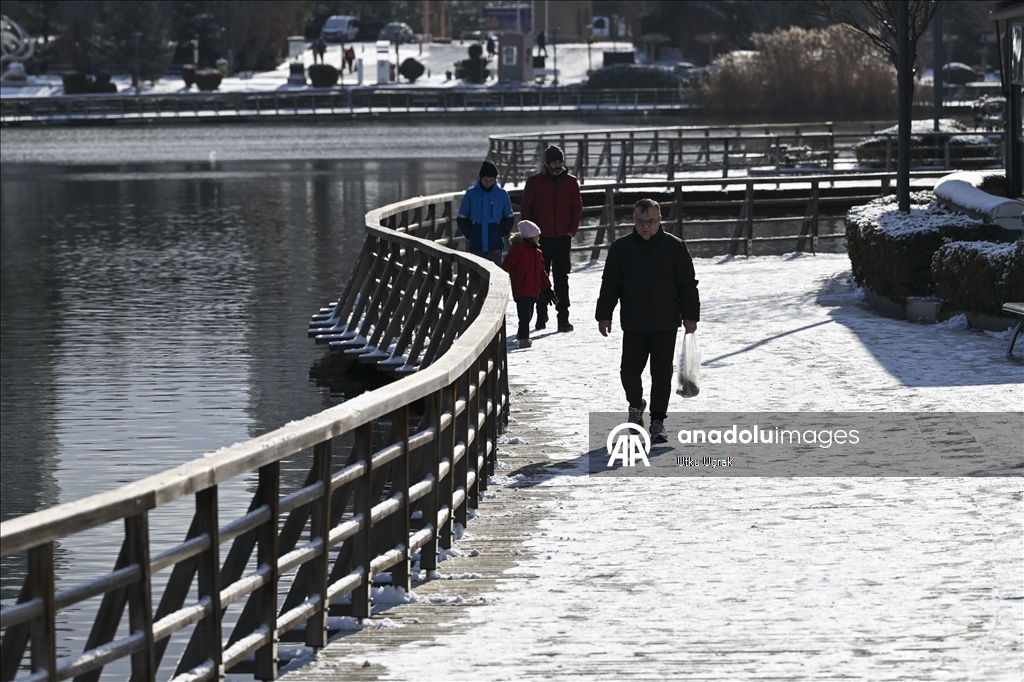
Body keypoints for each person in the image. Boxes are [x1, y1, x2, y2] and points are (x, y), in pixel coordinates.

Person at [595, 198, 700, 444]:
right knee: (629, 371)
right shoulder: (621, 249)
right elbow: (610, 284)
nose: (645, 227)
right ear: (634, 220)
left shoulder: (675, 247)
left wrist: (690, 316)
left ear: (659, 220)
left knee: (661, 374)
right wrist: (604, 314)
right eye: (641, 222)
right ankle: (635, 404)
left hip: (666, 321)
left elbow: (687, 285)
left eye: (651, 222)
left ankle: (657, 422)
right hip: (634, 321)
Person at [520, 145, 582, 333]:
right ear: (547, 163)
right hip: (540, 240)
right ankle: (541, 315)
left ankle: (563, 318)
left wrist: (571, 231)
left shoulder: (571, 182)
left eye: (560, 161)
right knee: (539, 278)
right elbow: (526, 208)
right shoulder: (534, 182)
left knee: (562, 279)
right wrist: (530, 235)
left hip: (563, 237)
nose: (557, 165)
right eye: (554, 161)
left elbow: (577, 208)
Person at [502, 220, 551, 349]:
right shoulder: (518, 249)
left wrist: (548, 288)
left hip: (533, 290)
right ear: (530, 237)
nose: (539, 237)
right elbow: (508, 263)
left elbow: (541, 272)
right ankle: (524, 339)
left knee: (528, 315)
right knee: (524, 315)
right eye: (537, 235)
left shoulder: (537, 253)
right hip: (522, 288)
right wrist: (501, 276)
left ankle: (521, 333)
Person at [457, 160, 515, 265]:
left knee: (495, 277)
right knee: (476, 279)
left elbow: (510, 218)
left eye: (491, 180)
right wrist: (470, 234)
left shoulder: (502, 194)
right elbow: (461, 218)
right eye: (485, 180)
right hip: (476, 245)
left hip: (495, 245)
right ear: (480, 178)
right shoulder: (471, 194)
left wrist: (502, 231)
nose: (488, 183)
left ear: (495, 179)